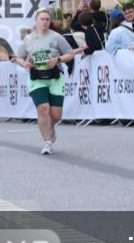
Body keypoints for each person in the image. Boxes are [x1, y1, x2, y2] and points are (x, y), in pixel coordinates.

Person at [14, 9, 86, 154]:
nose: (45, 22)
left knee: (56, 116)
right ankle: (47, 143)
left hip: (55, 78)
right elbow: (18, 57)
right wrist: (24, 63)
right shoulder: (28, 39)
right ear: (36, 21)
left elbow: (70, 54)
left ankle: (50, 125)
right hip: (37, 78)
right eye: (42, 19)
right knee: (43, 109)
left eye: (47, 19)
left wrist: (57, 59)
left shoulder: (57, 37)